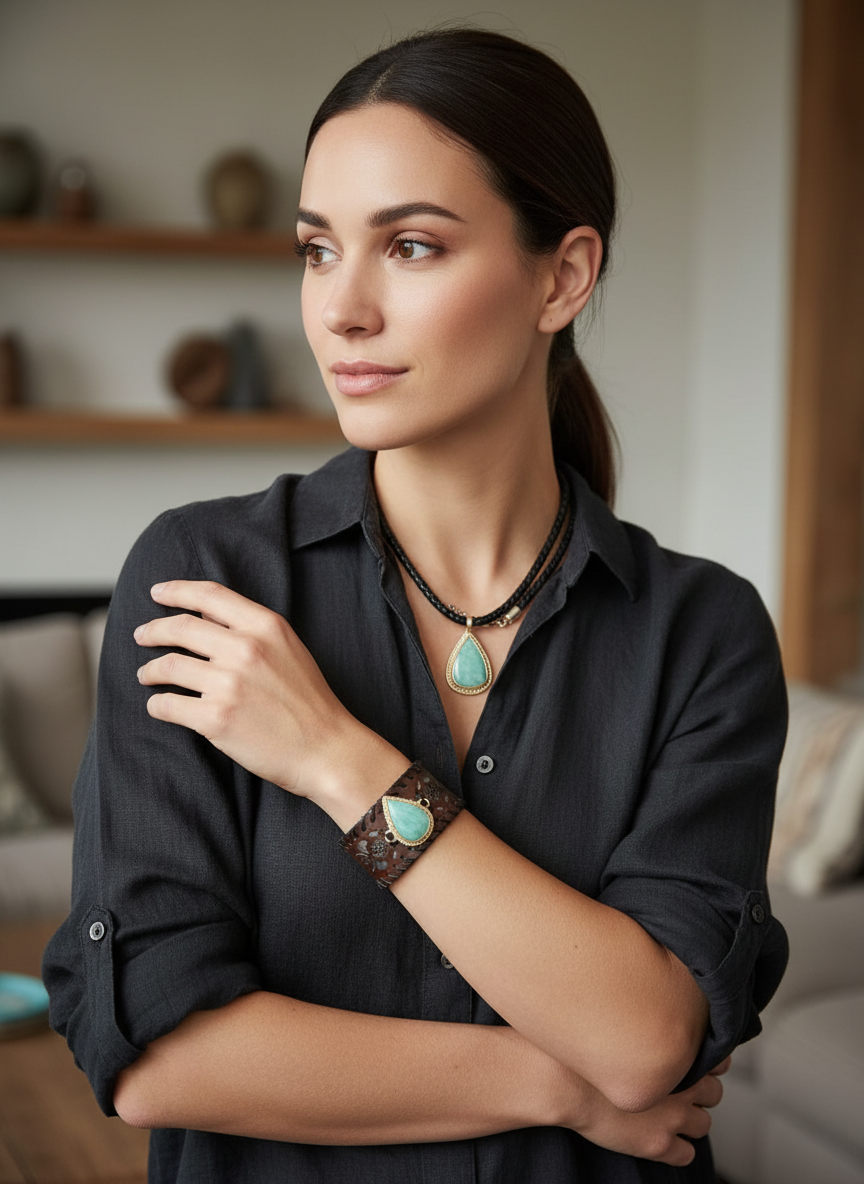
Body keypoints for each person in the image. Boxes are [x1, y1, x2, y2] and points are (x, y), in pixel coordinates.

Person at [43, 27, 788, 1183]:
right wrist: (556, 1079)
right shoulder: (206, 577)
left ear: (563, 275)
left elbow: (646, 1033)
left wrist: (340, 761)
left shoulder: (702, 633)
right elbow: (154, 1048)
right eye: (315, 248)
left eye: (411, 245)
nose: (340, 309)